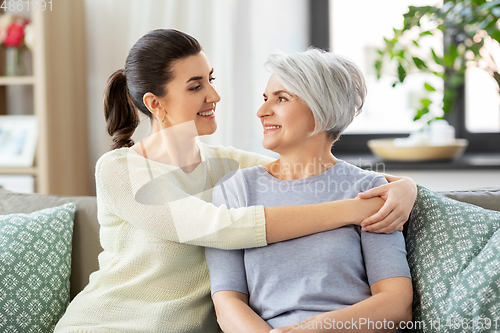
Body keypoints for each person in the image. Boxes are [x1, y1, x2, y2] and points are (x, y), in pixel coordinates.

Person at [55, 30, 415, 333]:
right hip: (107, 324)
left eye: (211, 80)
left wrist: (405, 187)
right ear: (156, 104)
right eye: (195, 86)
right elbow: (222, 227)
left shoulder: (228, 166)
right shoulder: (119, 170)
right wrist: (352, 209)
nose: (214, 96)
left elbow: (313, 170)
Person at [205, 49, 413, 332]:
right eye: (265, 99)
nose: (262, 111)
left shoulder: (368, 190)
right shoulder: (236, 190)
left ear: (321, 109)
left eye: (281, 98)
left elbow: (396, 305)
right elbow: (227, 303)